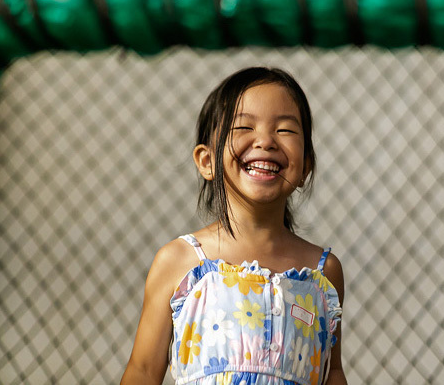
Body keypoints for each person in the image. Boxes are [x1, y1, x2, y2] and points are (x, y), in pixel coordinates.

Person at [122, 67, 346, 384]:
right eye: (243, 126)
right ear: (207, 161)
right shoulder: (180, 262)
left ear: (306, 166)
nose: (265, 141)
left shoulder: (323, 273)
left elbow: (332, 371)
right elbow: (143, 370)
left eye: (285, 130)